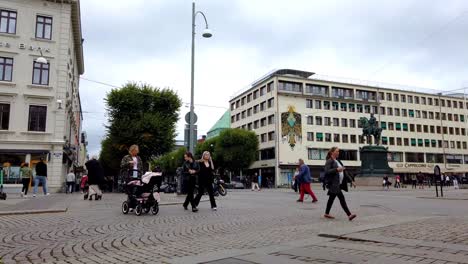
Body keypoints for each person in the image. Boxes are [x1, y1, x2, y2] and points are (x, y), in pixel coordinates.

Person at [323, 147, 357, 221]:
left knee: (331, 199)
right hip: (334, 184)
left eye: (338, 151)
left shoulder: (338, 161)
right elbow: (327, 171)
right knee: (342, 198)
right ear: (332, 152)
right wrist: (337, 169)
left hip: (339, 183)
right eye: (337, 151)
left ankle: (326, 213)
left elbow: (345, 172)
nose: (338, 153)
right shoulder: (329, 161)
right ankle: (349, 215)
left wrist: (351, 181)